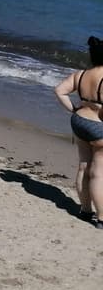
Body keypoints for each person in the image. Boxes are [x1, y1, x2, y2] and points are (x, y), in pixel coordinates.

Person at [53, 36, 103, 229]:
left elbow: (59, 91)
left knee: (84, 167)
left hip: (79, 121)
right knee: (99, 173)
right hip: (99, 126)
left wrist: (73, 109)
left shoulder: (81, 74)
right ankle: (101, 218)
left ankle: (85, 210)